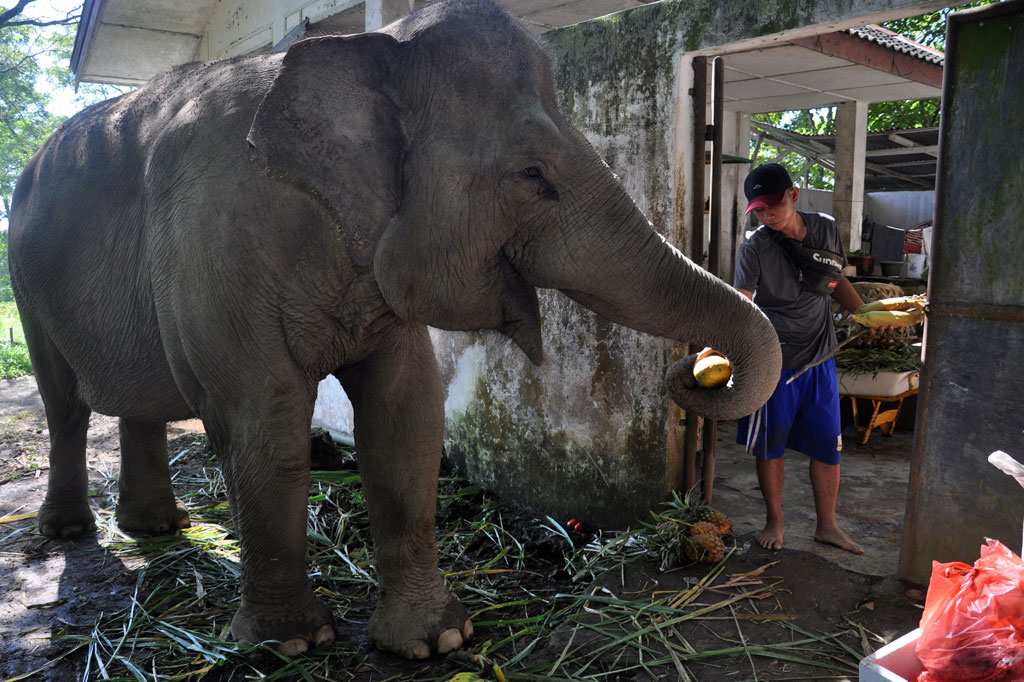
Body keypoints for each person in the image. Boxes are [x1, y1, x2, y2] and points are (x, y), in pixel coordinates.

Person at [733, 162, 866, 555]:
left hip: (820, 356)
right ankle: (775, 520)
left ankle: (827, 526)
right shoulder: (755, 248)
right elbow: (740, 303)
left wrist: (864, 316)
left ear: (793, 195)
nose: (767, 215)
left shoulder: (825, 227)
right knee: (770, 444)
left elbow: (835, 280)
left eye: (772, 205)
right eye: (758, 209)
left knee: (828, 444)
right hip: (773, 358)